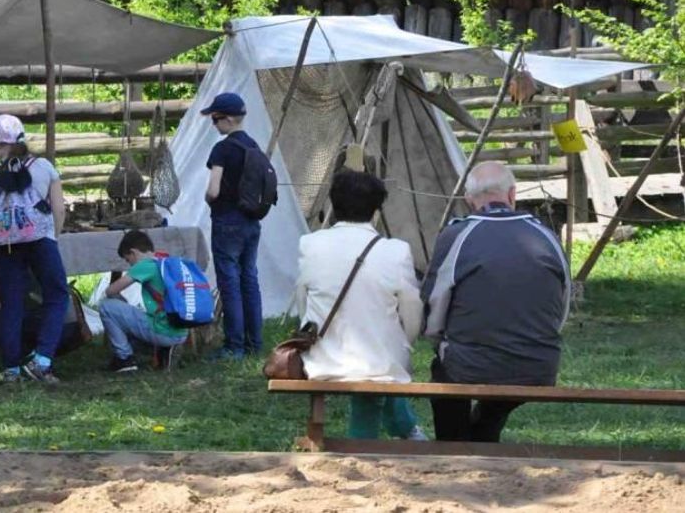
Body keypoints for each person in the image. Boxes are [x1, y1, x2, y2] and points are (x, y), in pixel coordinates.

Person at [422, 161, 571, 443]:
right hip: (538, 363)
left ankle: (453, 446)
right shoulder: (546, 237)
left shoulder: (457, 235)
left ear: (468, 200)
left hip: (470, 363)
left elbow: (434, 303)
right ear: (512, 194)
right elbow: (561, 303)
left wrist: (438, 339)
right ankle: (484, 433)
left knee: (445, 377)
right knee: (496, 397)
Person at [295, 170, 427, 440]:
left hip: (322, 356)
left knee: (378, 362)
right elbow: (412, 314)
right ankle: (367, 444)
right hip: (377, 360)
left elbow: (303, 306)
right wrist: (405, 345)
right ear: (376, 211)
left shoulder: (310, 244)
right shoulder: (396, 251)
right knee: (382, 363)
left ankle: (406, 428)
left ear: (333, 206)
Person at [0, 114, 70, 384]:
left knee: (12, 304)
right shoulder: (44, 167)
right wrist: (54, 235)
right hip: (40, 240)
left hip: (7, 245)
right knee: (56, 295)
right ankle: (42, 359)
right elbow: (59, 208)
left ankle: (11, 368)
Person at [0, 210, 86, 358]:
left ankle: (26, 354)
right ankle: (38, 355)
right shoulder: (34, 246)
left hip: (44, 325)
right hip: (68, 326)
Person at [202, 91, 263, 360]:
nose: (214, 125)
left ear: (227, 119)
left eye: (215, 119)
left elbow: (214, 190)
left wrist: (208, 198)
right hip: (251, 221)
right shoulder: (253, 146)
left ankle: (234, 346)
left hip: (227, 222)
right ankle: (254, 342)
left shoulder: (223, 149)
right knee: (249, 279)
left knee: (230, 283)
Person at [98, 230, 189, 373]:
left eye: (128, 260)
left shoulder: (145, 265)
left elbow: (110, 291)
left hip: (162, 330)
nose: (129, 265)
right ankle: (163, 350)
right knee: (136, 317)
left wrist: (122, 303)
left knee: (106, 307)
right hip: (181, 331)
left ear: (133, 252)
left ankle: (124, 359)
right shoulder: (164, 260)